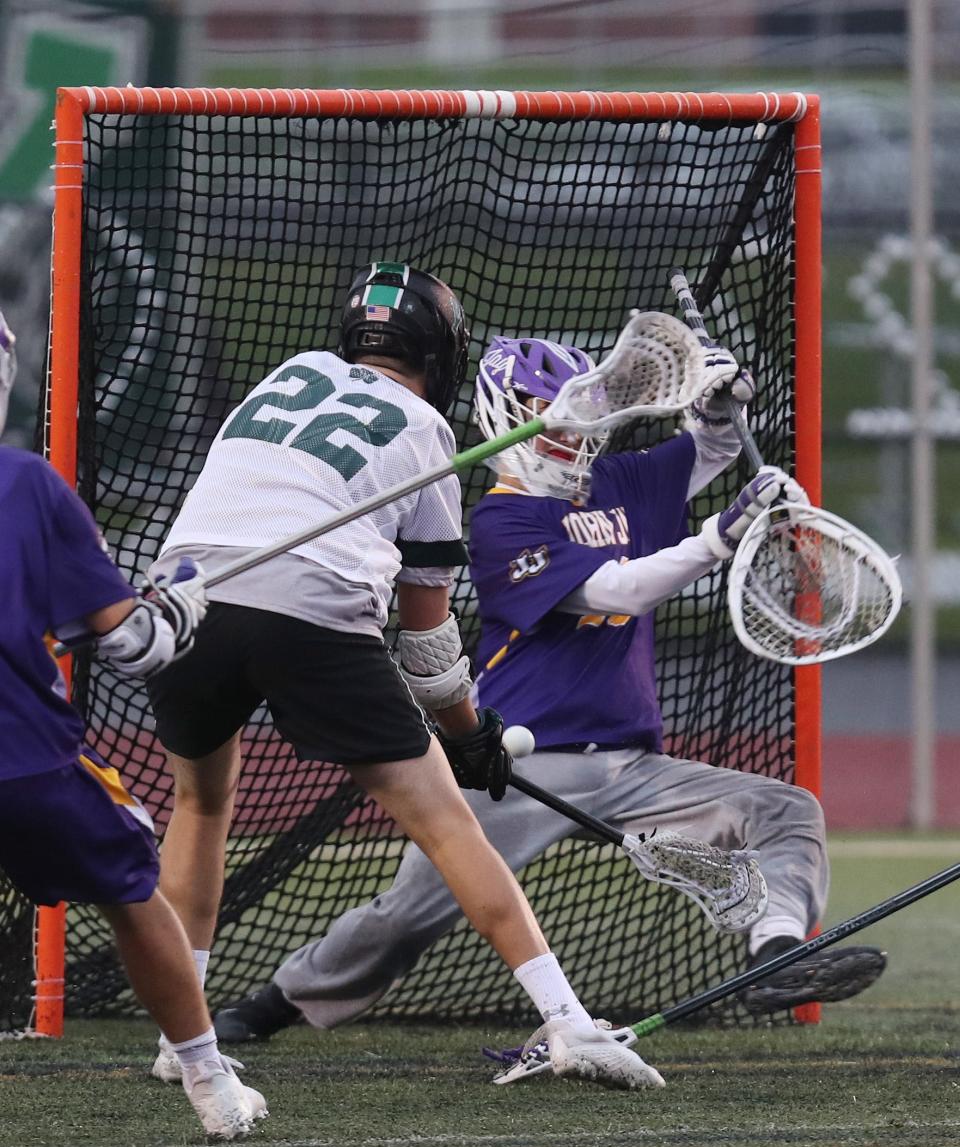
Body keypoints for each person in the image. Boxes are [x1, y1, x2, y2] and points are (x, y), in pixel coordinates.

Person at [211, 332, 887, 1048]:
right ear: (508, 414)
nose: (567, 428)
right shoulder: (502, 520)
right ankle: (278, 1001)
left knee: (784, 808)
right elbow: (616, 593)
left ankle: (775, 953)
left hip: (631, 764)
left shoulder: (619, 483)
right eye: (544, 409)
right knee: (411, 914)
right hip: (521, 765)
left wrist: (718, 413)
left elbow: (710, 454)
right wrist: (722, 536)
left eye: (573, 410)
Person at [142, 263, 666, 1092]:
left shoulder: (286, 376)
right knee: (448, 821)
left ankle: (183, 1038)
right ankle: (569, 1022)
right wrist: (470, 736)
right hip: (307, 602)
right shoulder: (426, 431)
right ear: (437, 350)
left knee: (201, 804)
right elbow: (426, 647)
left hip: (187, 599)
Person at [0, 310, 267, 1140]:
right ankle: (208, 1080)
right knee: (133, 891)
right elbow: (132, 643)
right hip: (22, 763)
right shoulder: (25, 485)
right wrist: (178, 605)